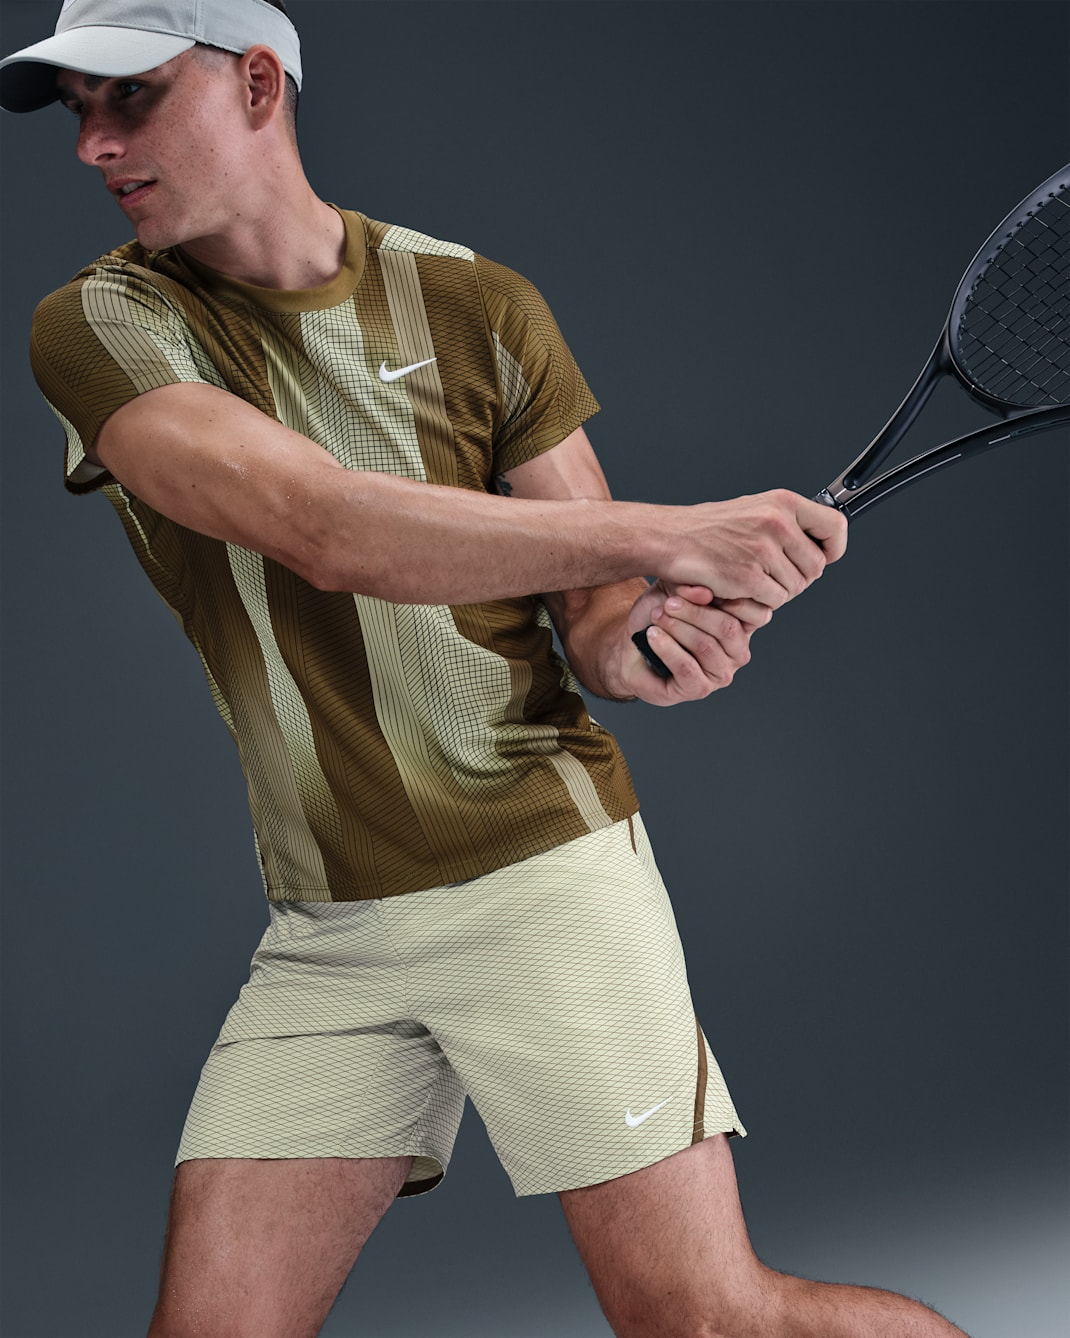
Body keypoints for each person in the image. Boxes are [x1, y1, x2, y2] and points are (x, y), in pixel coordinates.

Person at [0, 3, 968, 1335]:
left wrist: (660, 642)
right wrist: (672, 532)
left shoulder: (476, 305)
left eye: (133, 97)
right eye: (78, 113)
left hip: (540, 884)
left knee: (707, 1317)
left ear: (259, 84)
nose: (94, 145)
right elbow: (321, 526)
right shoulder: (103, 323)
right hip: (333, 925)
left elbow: (601, 628)